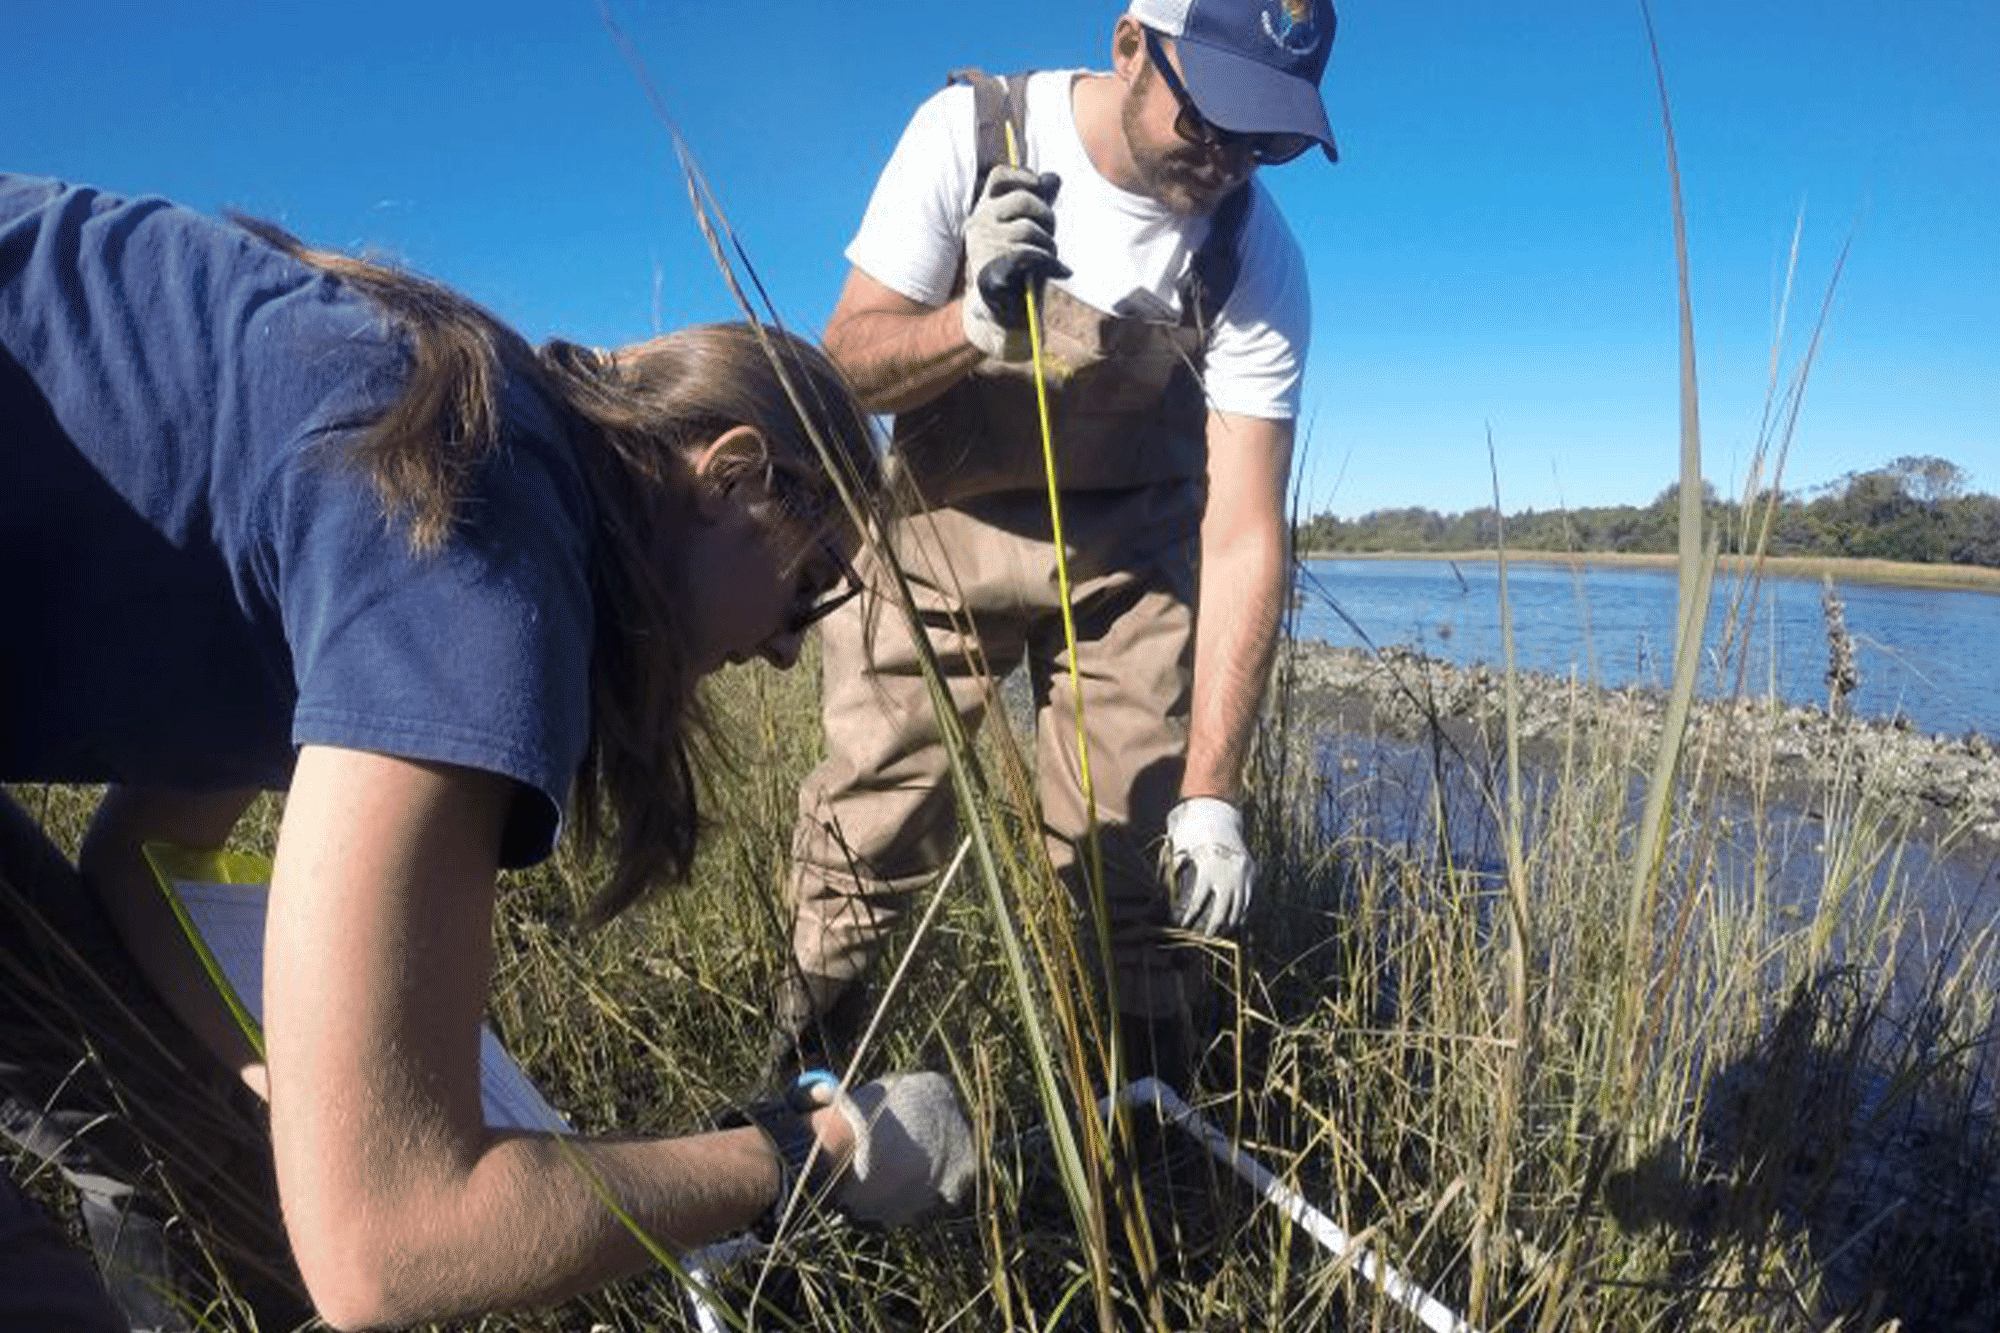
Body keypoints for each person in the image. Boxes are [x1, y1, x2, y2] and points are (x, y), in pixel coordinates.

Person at [0, 172, 975, 1332]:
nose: (780, 654)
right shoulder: (481, 538)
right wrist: (810, 1150)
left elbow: (145, 858)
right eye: (810, 588)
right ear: (731, 475)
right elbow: (391, 1251)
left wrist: (305, 1108)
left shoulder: (446, 439)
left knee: (201, 1161)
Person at [772, 0, 1337, 1097]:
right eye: (1214, 116)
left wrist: (1211, 794)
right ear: (1130, 44)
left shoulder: (1252, 255)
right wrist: (967, 324)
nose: (1229, 160)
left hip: (1130, 566)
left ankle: (1144, 1128)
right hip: (937, 539)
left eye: (1267, 139)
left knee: (1132, 859)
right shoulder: (968, 136)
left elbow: (1242, 531)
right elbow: (842, 365)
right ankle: (802, 1105)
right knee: (869, 834)